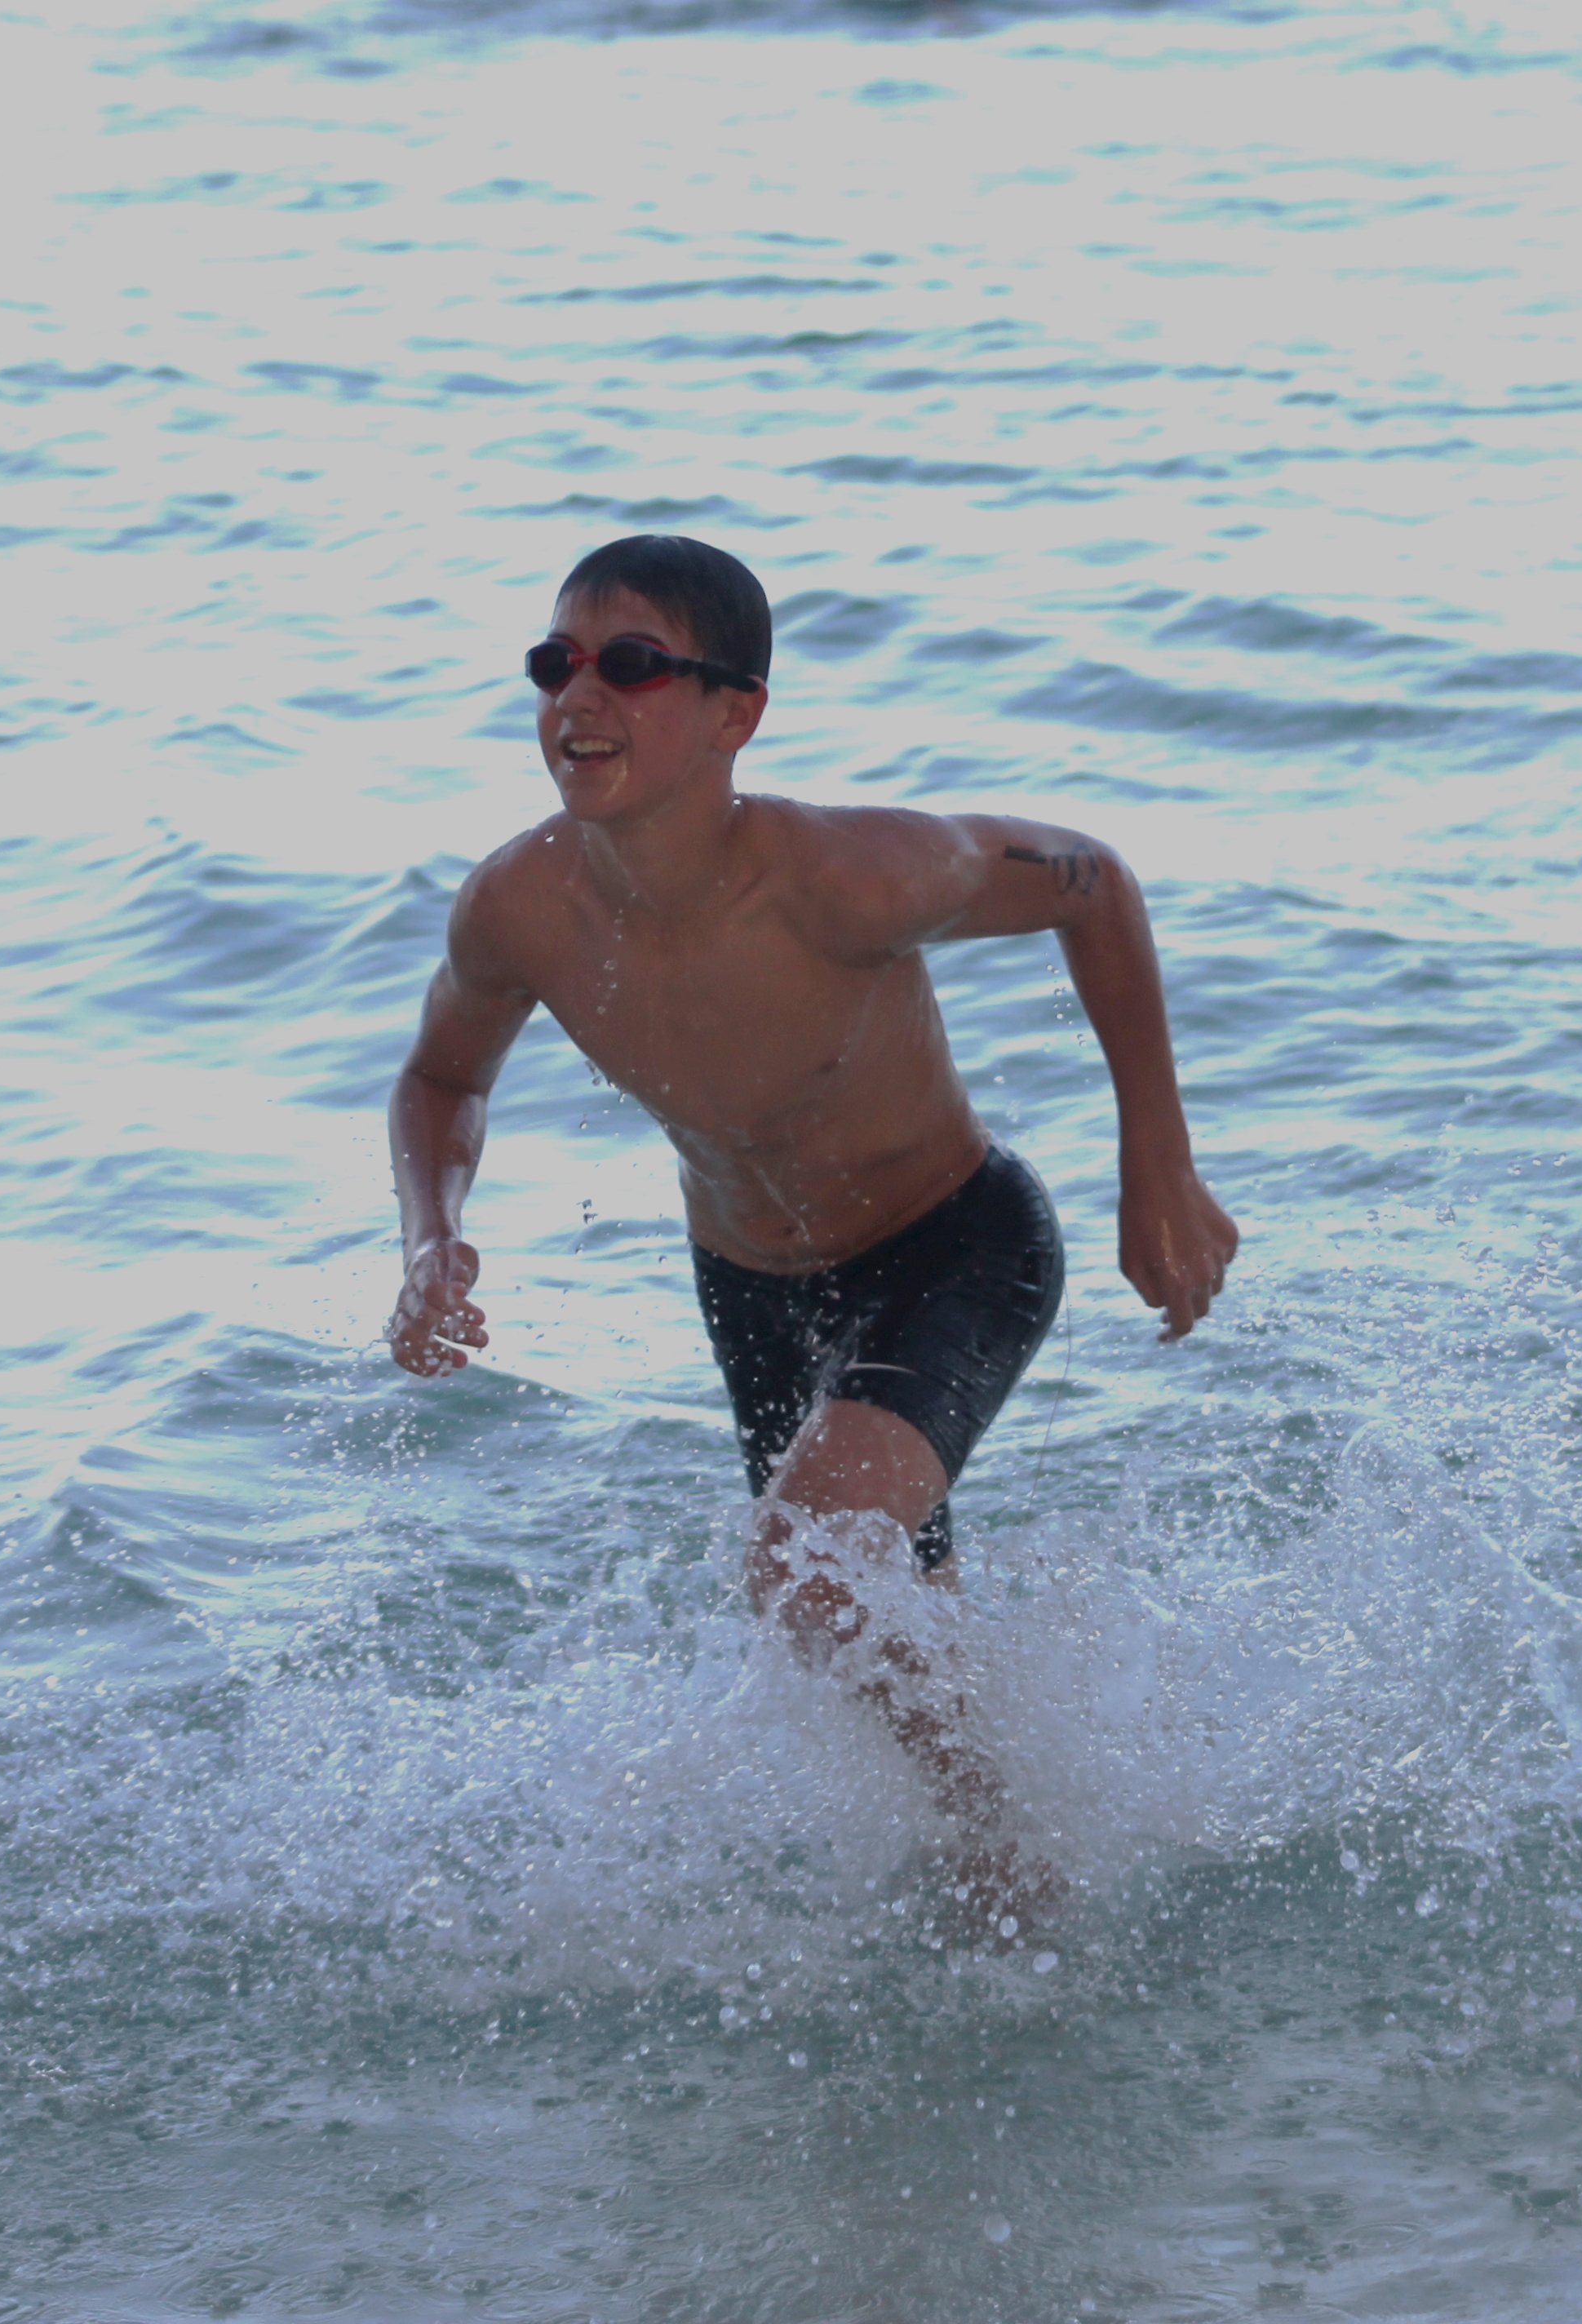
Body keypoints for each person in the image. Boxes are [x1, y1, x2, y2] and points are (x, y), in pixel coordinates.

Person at [384, 535, 1236, 1923]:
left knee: (808, 1563)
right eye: (557, 664)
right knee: (883, 1610)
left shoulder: (846, 879)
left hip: (954, 1248)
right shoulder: (521, 908)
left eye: (632, 666)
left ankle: (1014, 1863)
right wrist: (430, 1237)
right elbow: (439, 1080)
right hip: (753, 1289)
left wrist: (1161, 1162)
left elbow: (1091, 878)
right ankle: (1005, 1882)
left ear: (737, 712)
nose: (577, 697)